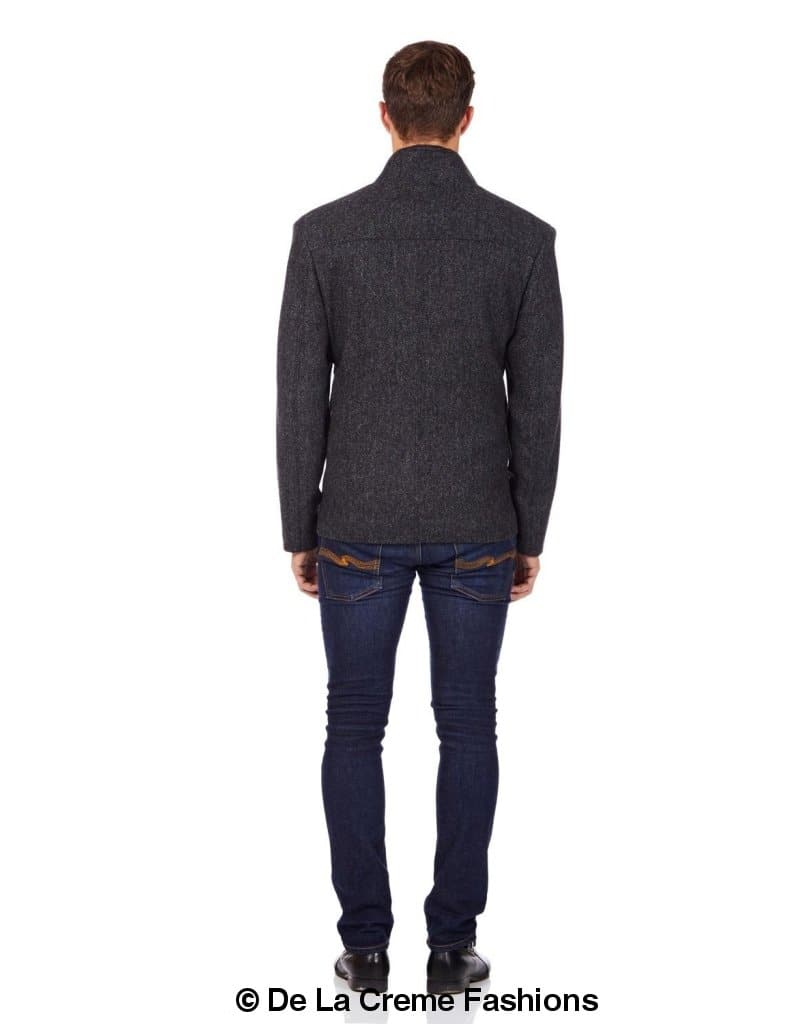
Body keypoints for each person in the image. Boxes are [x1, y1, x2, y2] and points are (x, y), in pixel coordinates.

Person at [275, 39, 564, 996]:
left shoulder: (325, 235)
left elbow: (298, 399)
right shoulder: (523, 240)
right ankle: (451, 947)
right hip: (480, 521)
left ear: (385, 116)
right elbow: (539, 407)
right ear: (466, 120)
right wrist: (530, 532)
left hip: (356, 520)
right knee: (468, 727)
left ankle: (365, 949)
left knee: (353, 726)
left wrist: (299, 525)